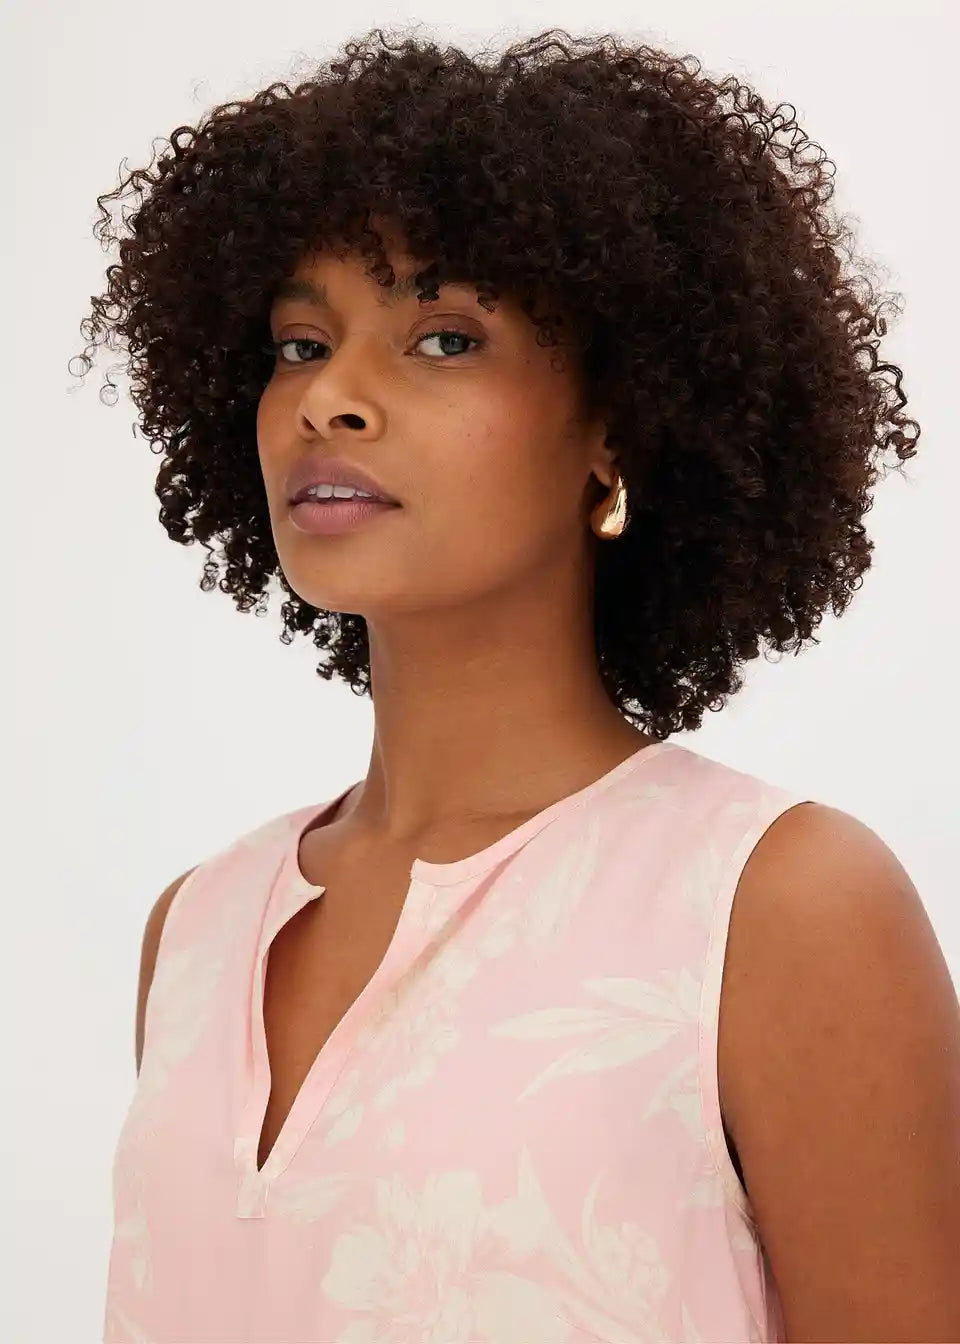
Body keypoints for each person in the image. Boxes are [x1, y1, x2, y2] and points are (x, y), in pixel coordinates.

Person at [74, 25, 960, 1344]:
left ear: (616, 424)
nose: (330, 400)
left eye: (443, 338)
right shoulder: (196, 930)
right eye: (300, 342)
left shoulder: (775, 909)